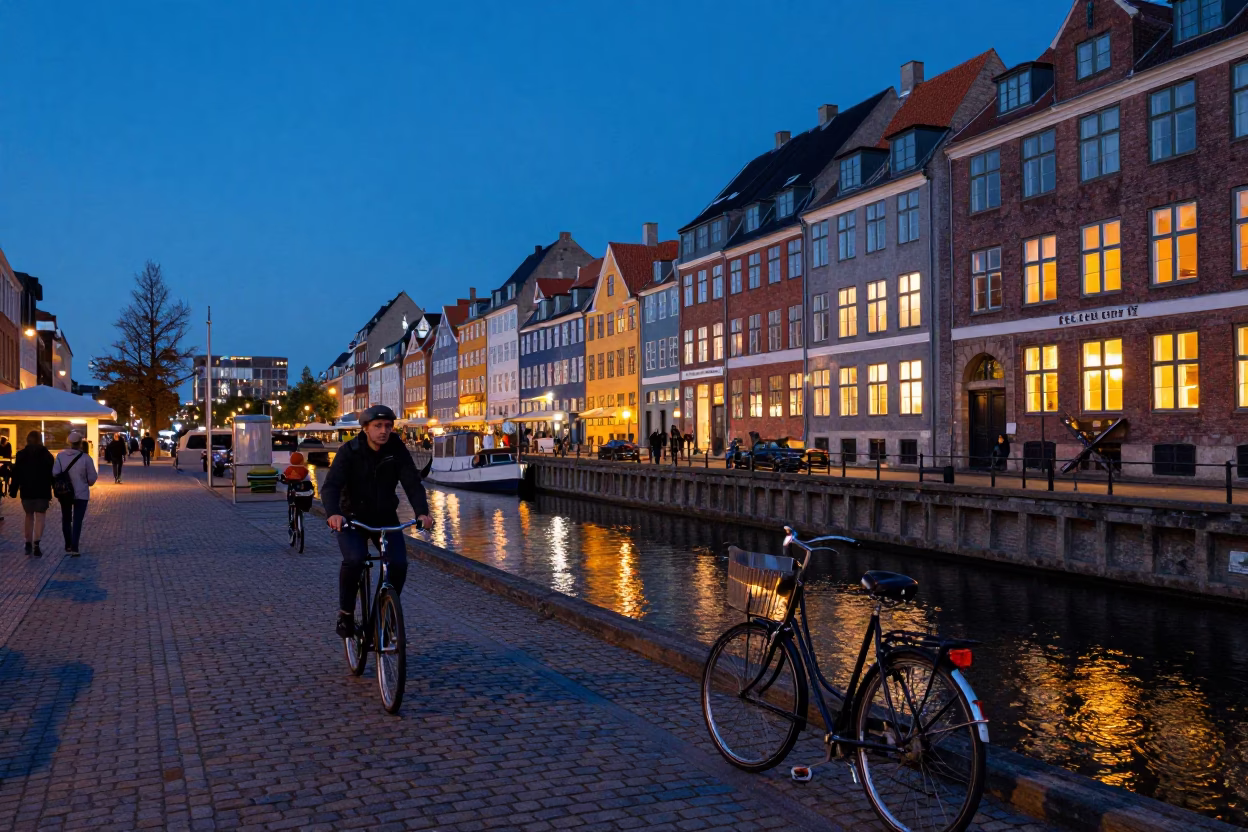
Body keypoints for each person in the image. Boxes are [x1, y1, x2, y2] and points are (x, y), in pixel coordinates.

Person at [322, 404, 432, 639]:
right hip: (351, 517)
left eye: (388, 426)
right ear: (365, 428)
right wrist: (333, 513)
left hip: (384, 516)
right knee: (355, 559)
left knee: (398, 564)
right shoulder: (349, 451)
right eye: (378, 426)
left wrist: (422, 512)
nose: (384, 431)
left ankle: (382, 614)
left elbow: (412, 482)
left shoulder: (395, 448)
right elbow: (331, 486)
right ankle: (346, 613)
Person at [53, 431, 98, 556]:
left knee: (66, 518)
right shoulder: (85, 458)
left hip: (65, 492)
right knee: (77, 520)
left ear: (69, 442)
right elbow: (92, 478)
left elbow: (55, 473)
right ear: (80, 443)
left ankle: (67, 544)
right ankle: (75, 547)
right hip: (81, 493)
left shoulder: (60, 456)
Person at [10, 431, 53, 557]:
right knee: (40, 516)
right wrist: (55, 488)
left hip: (26, 490)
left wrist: (13, 490)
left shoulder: (21, 455)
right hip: (42, 490)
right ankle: (37, 543)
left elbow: (16, 474)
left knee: (28, 515)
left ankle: (28, 542)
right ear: (40, 440)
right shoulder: (46, 455)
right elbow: (52, 474)